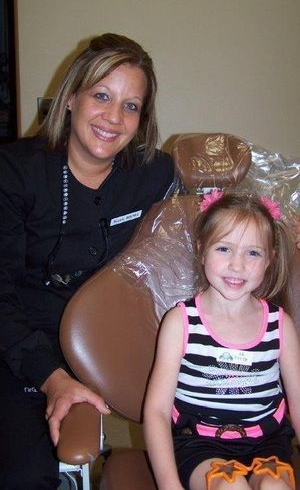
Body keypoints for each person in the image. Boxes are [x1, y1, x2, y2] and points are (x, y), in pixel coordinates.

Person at [0, 33, 177, 489]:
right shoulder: (16, 173)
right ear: (72, 97)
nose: (113, 118)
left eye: (131, 106)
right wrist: (51, 378)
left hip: (109, 341)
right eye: (102, 96)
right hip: (23, 344)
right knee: (22, 474)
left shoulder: (154, 174)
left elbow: (205, 227)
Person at [144, 191, 300, 490]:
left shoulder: (280, 325)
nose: (237, 265)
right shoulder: (181, 323)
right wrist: (169, 484)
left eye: (253, 252)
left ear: (270, 259)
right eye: (224, 248)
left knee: (275, 487)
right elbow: (156, 411)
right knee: (230, 486)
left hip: (268, 441)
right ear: (202, 250)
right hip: (200, 443)